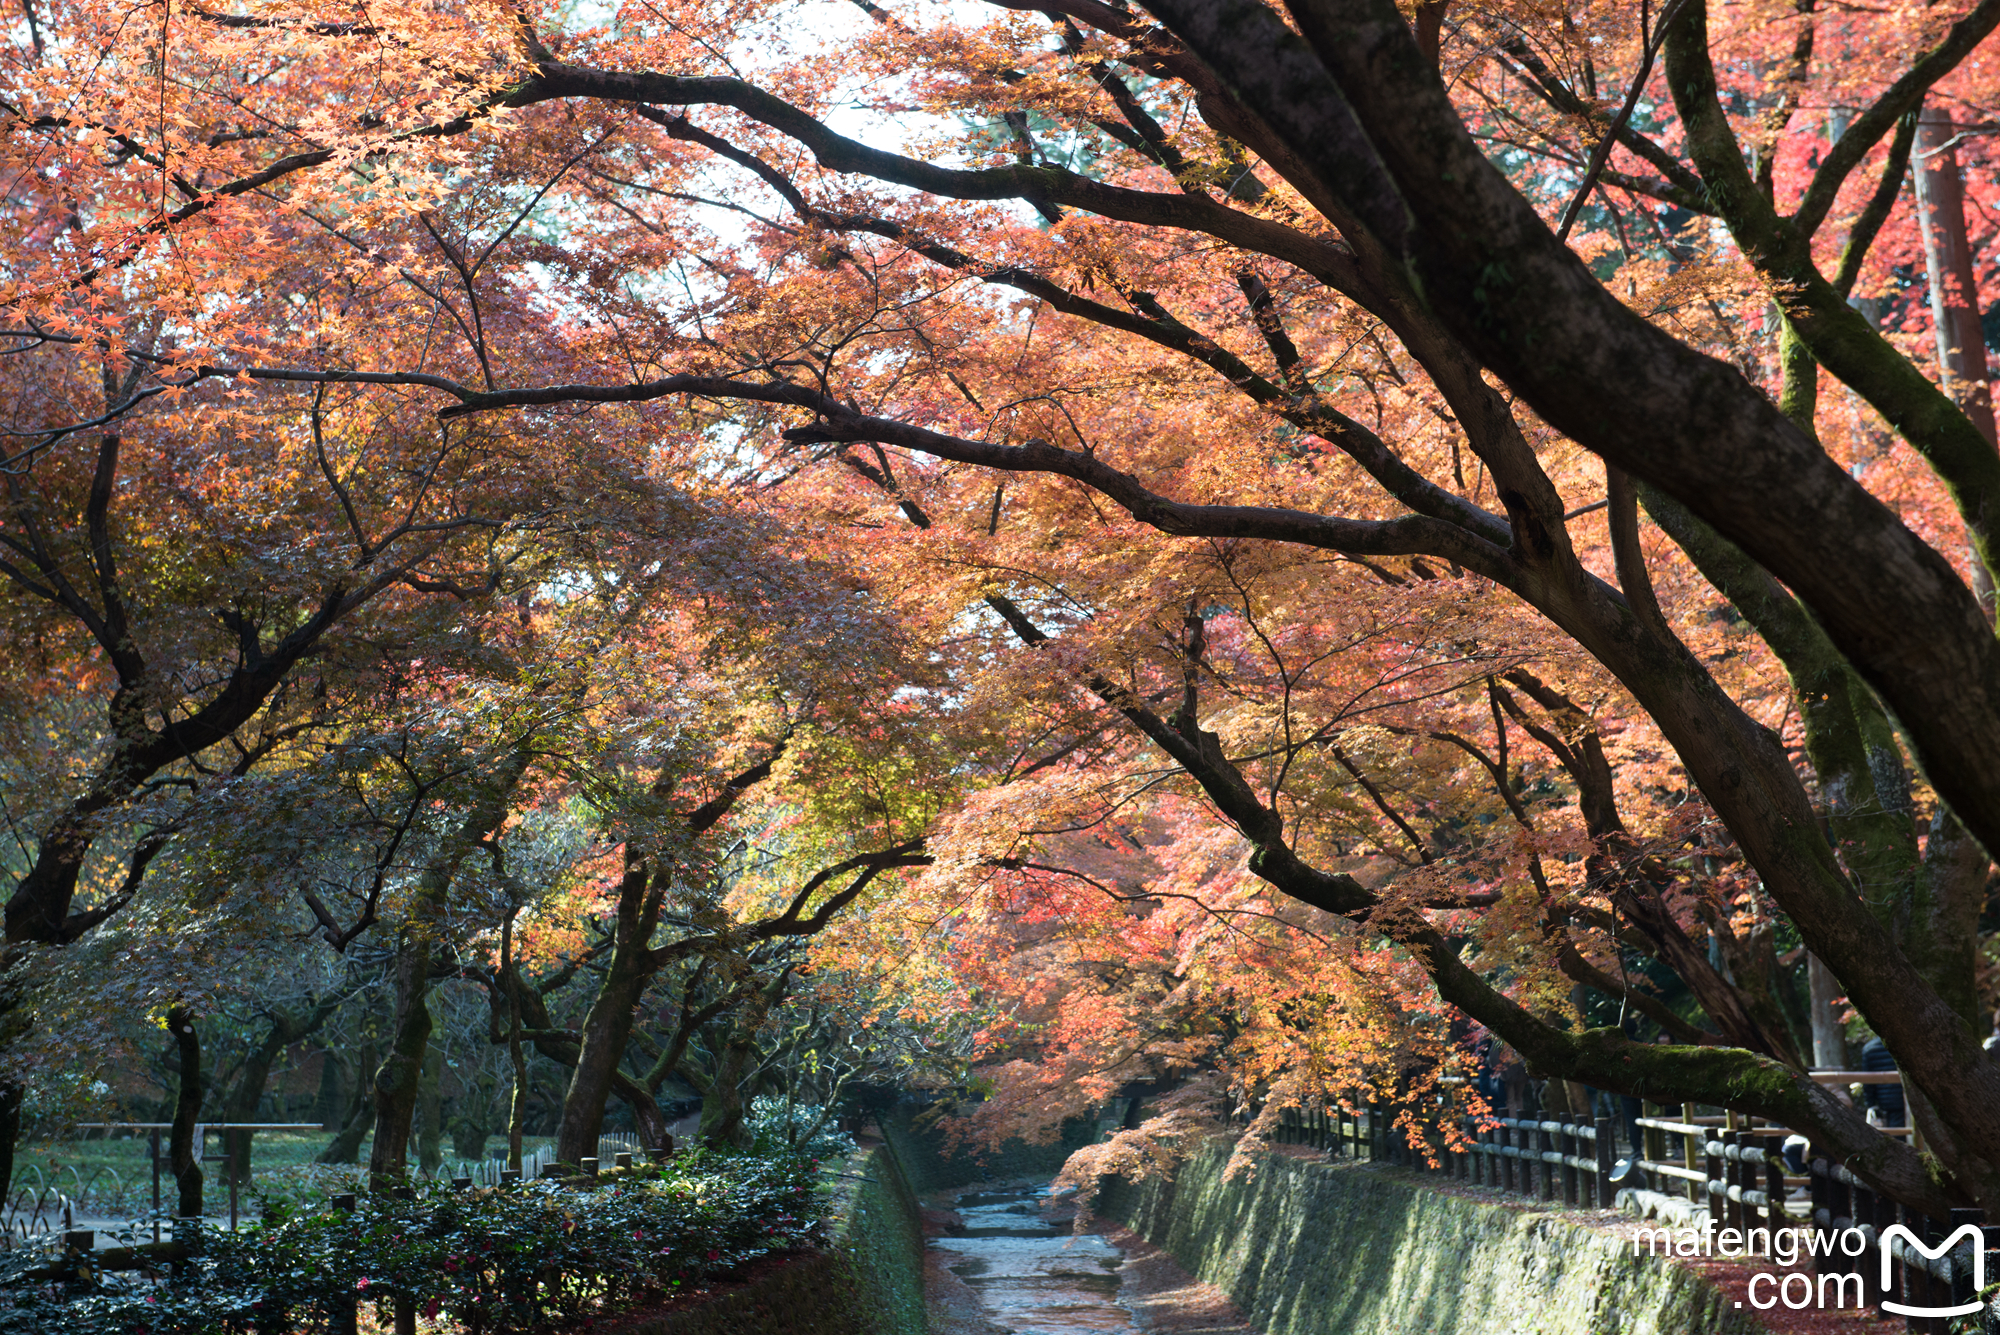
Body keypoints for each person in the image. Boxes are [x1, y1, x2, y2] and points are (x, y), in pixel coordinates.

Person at [1859, 1036, 1904, 1127]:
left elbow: (1868, 1083)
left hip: (1885, 1102)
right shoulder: (1904, 1044)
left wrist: (1871, 1104)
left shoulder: (1870, 1048)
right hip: (1905, 1099)